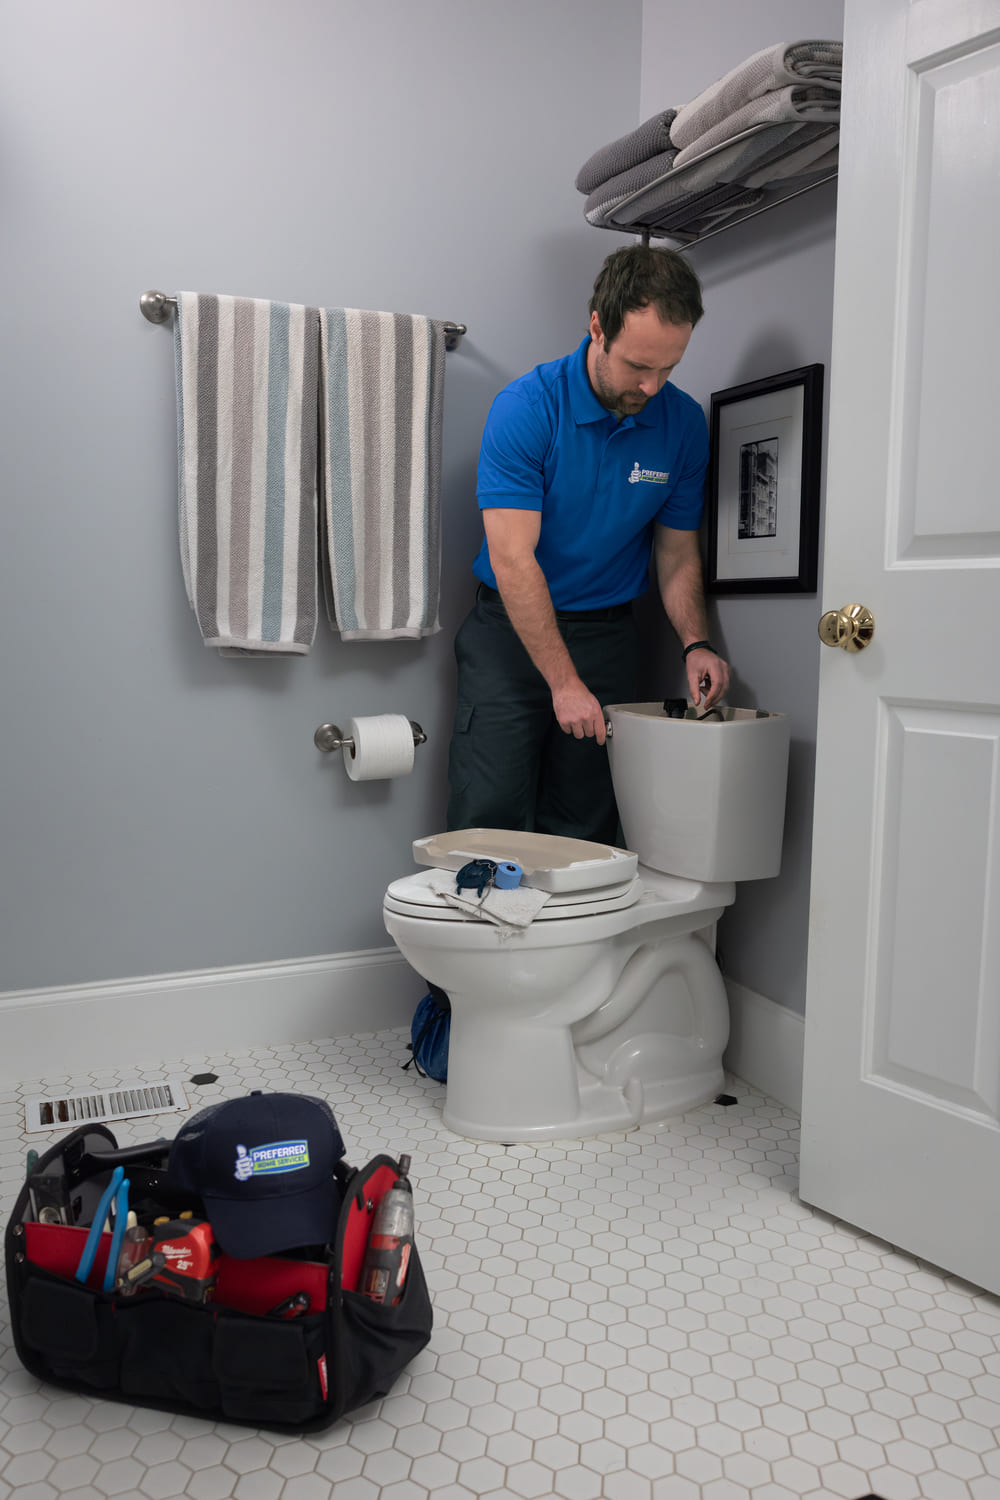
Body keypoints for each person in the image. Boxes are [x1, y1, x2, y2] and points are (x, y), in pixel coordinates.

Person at [446, 245, 730, 846]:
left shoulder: (680, 427)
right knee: (489, 814)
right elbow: (512, 558)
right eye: (637, 367)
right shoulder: (528, 409)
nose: (651, 387)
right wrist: (563, 683)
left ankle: (572, 944)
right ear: (597, 325)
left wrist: (695, 642)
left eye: (669, 369)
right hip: (510, 636)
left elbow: (676, 550)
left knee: (586, 823)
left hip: (606, 637)